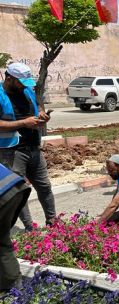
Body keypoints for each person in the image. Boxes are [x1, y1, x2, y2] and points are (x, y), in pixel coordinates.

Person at [0, 62, 56, 230]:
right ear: (8, 78)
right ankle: (30, 229)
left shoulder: (26, 90)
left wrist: (41, 114)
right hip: (12, 151)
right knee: (20, 191)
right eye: (20, 82)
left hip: (33, 147)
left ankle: (53, 222)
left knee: (44, 186)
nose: (24, 86)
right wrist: (24, 123)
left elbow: (38, 105)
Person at [0, 163, 31, 292]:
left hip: (3, 191)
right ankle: (13, 287)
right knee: (2, 240)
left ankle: (11, 287)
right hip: (14, 186)